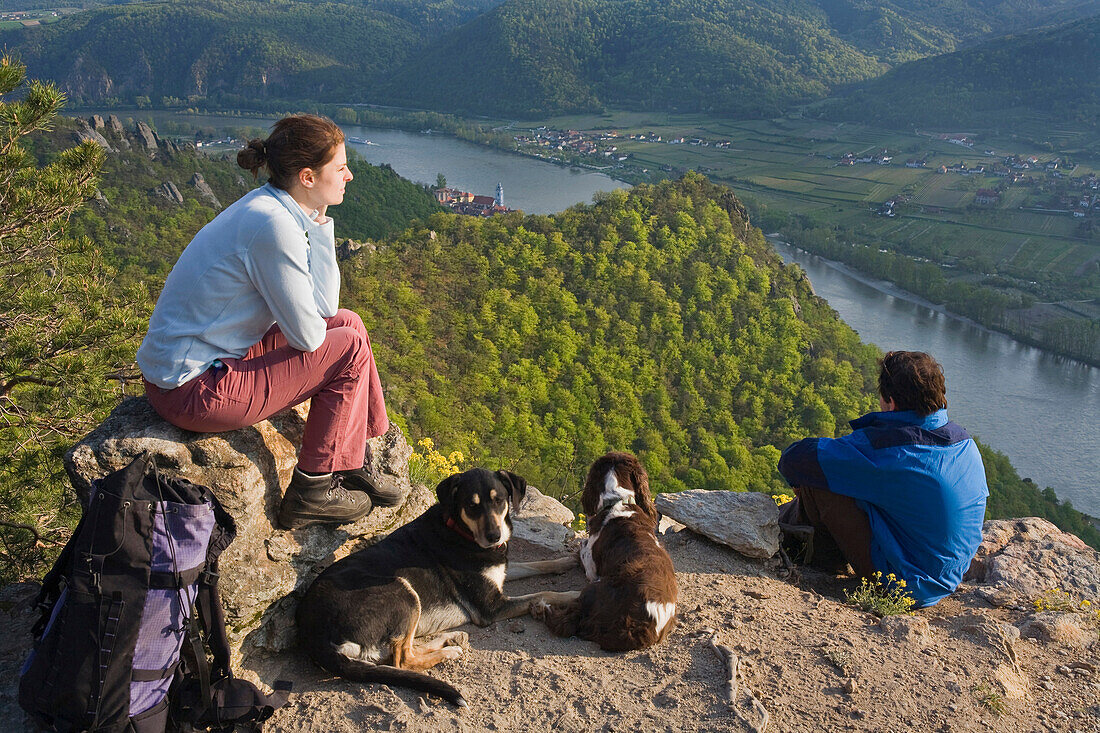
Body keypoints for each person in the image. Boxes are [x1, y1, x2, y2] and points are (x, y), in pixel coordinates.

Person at [137, 114, 405, 530]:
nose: (350, 175)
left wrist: (320, 229)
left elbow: (327, 307)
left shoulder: (275, 208)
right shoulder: (272, 225)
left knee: (349, 323)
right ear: (307, 177)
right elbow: (309, 334)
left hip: (201, 367)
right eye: (340, 167)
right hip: (192, 389)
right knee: (347, 348)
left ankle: (351, 457)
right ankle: (312, 490)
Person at [777, 350, 988, 607]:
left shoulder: (887, 451)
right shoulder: (964, 442)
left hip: (905, 586)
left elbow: (793, 460)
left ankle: (798, 549)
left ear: (891, 402)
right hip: (948, 577)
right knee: (853, 478)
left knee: (824, 479)